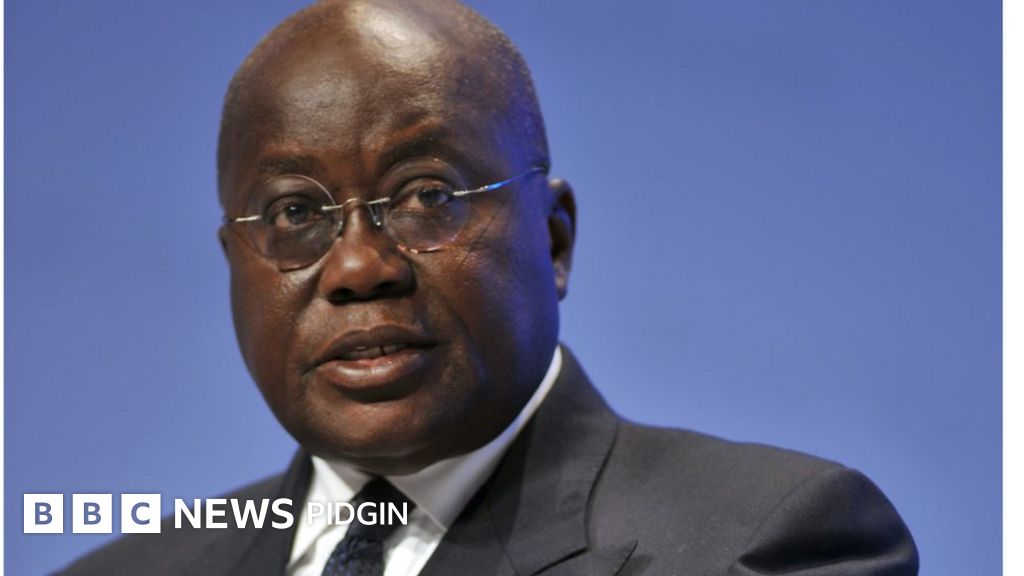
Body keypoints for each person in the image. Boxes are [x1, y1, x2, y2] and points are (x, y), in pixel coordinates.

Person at [61, 0, 918, 574]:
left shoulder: (765, 544)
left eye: (427, 196)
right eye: (295, 213)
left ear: (553, 239)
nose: (359, 267)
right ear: (234, 265)